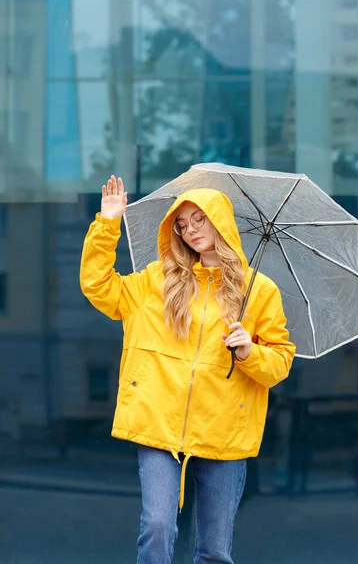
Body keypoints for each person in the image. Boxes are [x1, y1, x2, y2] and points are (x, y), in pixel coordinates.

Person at [80, 174, 296, 564]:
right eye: (182, 225)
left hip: (224, 429)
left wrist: (249, 351)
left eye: (199, 220)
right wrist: (108, 223)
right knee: (158, 526)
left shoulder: (259, 291)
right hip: (159, 424)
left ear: (220, 221)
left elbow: (280, 363)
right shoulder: (157, 281)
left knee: (214, 549)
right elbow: (100, 288)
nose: (190, 230)